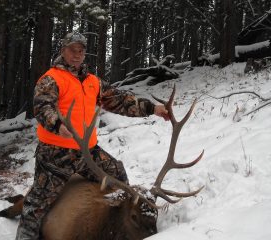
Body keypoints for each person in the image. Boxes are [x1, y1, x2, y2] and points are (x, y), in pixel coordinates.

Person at [15, 31, 169, 240]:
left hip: (87, 152)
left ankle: (117, 227)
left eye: (81, 51)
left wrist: (153, 108)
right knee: (36, 205)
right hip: (55, 153)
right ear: (63, 51)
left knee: (118, 175)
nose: (77, 55)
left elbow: (120, 100)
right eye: (72, 50)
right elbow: (42, 106)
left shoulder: (93, 82)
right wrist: (57, 124)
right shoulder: (51, 79)